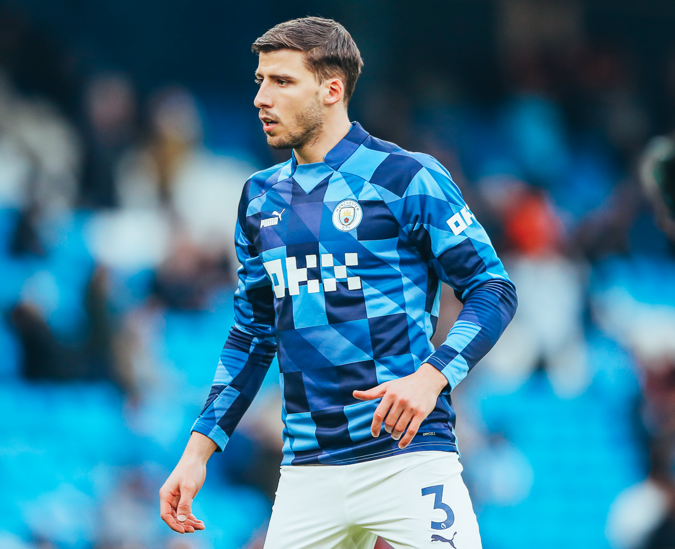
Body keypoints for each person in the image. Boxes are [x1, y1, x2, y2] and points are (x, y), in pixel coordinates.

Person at [159, 17, 517, 549]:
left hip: (408, 459)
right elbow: (252, 334)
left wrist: (432, 376)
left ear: (331, 89)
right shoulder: (259, 199)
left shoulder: (405, 177)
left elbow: (493, 288)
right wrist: (197, 451)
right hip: (307, 474)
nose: (261, 97)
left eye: (281, 82)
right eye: (260, 80)